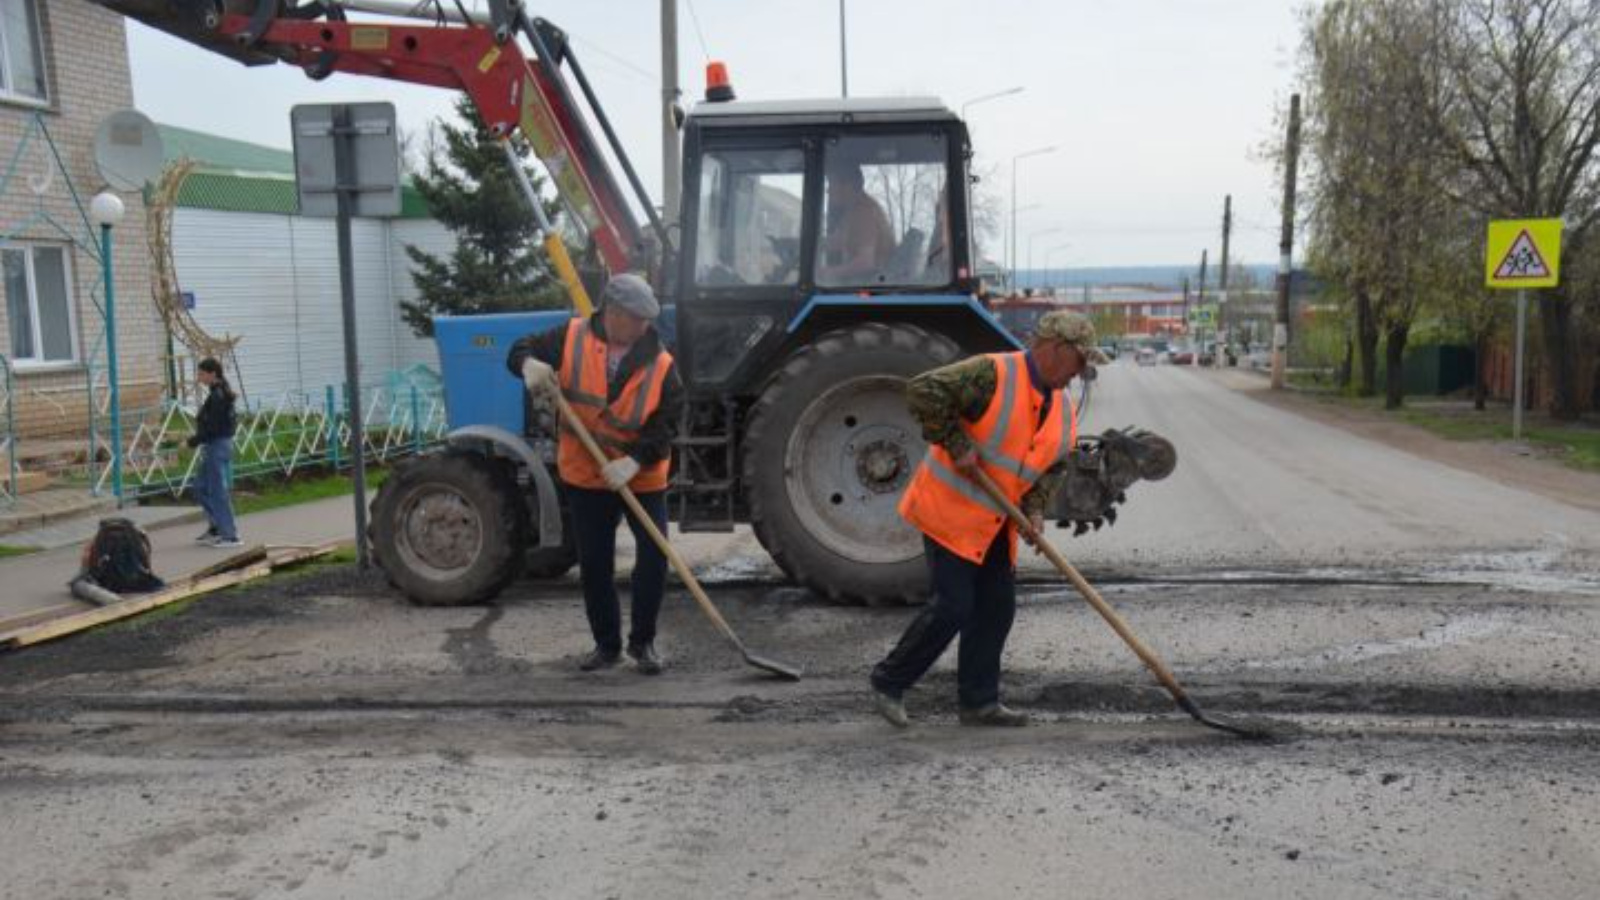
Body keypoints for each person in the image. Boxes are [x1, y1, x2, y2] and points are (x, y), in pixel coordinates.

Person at [870, 311, 1108, 727]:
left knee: (997, 608)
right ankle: (889, 682)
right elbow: (923, 391)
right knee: (954, 606)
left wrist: (1034, 510)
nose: (1079, 375)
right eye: (1079, 362)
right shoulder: (992, 373)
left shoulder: (1063, 406)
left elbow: (1052, 465)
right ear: (1055, 349)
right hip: (950, 511)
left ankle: (978, 703)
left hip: (998, 522)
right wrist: (958, 442)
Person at [507, 274, 685, 675]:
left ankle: (644, 644)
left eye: (647, 319)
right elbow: (519, 349)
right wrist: (528, 364)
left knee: (654, 559)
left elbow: (668, 423)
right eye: (637, 318)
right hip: (586, 472)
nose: (645, 326)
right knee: (596, 563)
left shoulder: (661, 362)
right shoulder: (569, 336)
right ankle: (607, 647)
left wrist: (634, 461)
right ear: (613, 313)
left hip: (639, 474)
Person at [188, 357, 241, 549]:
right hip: (214, 444)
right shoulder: (216, 393)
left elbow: (214, 427)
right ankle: (217, 527)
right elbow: (210, 424)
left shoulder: (219, 395)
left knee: (218, 491)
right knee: (200, 486)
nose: (199, 377)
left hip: (218, 445)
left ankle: (230, 535)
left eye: (201, 373)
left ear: (212, 374)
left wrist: (192, 441)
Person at [819, 161, 895, 284]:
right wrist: (805, 246)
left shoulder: (864, 211)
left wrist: (828, 272)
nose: (828, 190)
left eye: (832, 184)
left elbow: (866, 263)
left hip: (873, 284)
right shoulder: (853, 210)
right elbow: (837, 241)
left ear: (847, 186)